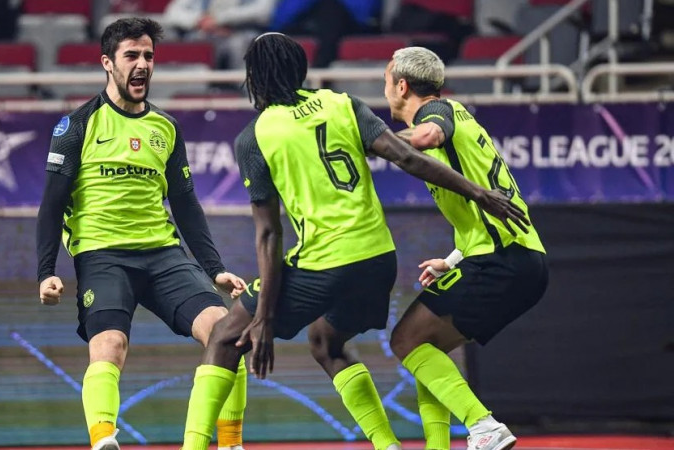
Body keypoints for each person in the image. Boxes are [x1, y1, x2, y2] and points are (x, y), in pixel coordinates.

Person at [181, 33, 530, 450]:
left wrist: (266, 317)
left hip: (324, 263)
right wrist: (477, 191)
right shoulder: (341, 102)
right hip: (379, 261)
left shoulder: (254, 136)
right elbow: (408, 157)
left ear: (254, 76)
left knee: (223, 336)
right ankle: (388, 445)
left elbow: (269, 234)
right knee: (325, 341)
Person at [35, 18, 249, 450]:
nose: (142, 65)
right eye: (131, 55)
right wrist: (45, 271)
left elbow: (186, 204)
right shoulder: (76, 126)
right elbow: (51, 204)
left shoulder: (165, 128)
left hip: (162, 254)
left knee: (227, 333)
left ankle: (229, 443)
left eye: (148, 56)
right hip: (102, 255)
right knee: (110, 346)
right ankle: (103, 442)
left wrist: (215, 269)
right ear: (107, 64)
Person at [383, 47, 548, 450]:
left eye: (386, 81)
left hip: (503, 260)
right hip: (517, 258)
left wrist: (369, 142)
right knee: (425, 349)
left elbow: (426, 136)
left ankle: (484, 426)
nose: (385, 89)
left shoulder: (437, 113)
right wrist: (453, 259)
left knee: (405, 341)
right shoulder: (459, 116)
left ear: (402, 86)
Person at [161, 0, 276, 69]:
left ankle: (246, 99)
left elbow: (263, 12)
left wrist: (219, 19)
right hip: (204, 32)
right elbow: (172, 12)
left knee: (239, 44)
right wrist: (198, 20)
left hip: (241, 33)